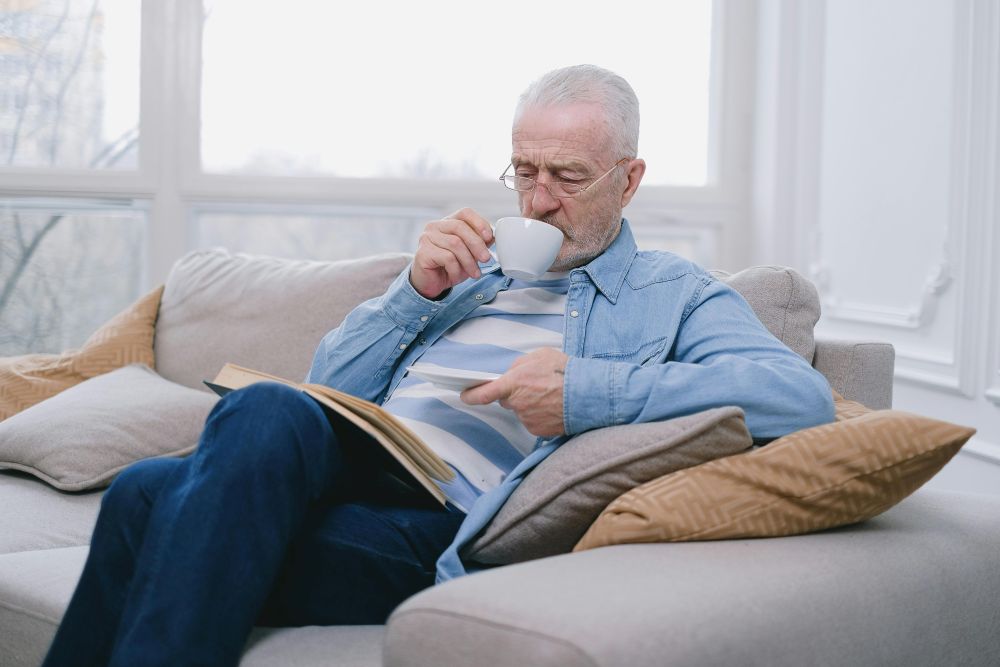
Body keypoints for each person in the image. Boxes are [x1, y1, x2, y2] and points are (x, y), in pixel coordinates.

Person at [43, 64, 834, 667]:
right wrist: (412, 295)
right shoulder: (466, 273)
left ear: (629, 180)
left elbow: (797, 398)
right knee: (241, 428)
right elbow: (331, 388)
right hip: (347, 473)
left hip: (444, 525)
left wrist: (586, 390)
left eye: (568, 176)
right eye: (525, 172)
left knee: (151, 497)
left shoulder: (677, 294)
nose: (539, 201)